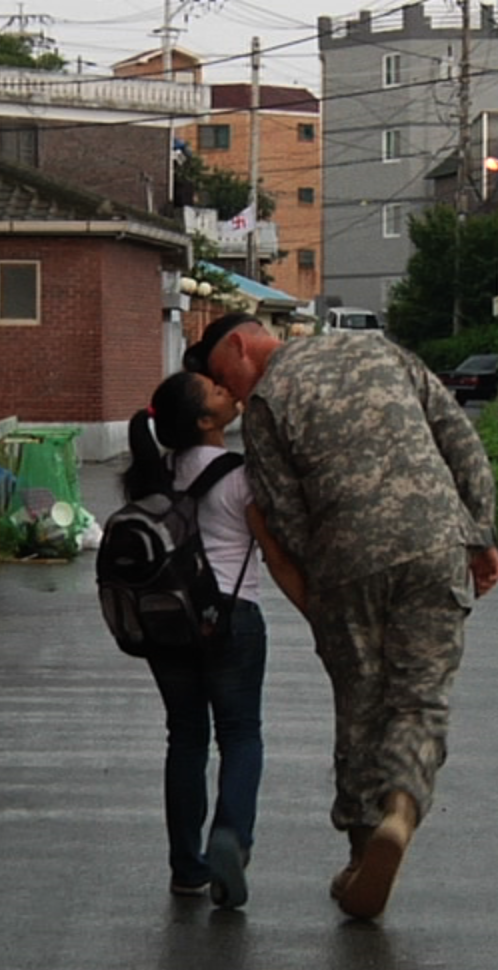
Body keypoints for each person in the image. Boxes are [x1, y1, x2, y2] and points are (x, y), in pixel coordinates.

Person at [183, 313, 498, 920]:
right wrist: (481, 532)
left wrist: (318, 594)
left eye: (221, 372)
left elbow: (283, 511)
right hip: (435, 540)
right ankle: (401, 811)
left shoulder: (269, 402)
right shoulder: (380, 350)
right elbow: (458, 438)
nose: (227, 390)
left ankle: (362, 854)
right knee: (420, 697)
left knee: (360, 703)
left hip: (347, 558)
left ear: (240, 344)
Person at [122, 370, 305, 909]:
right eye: (217, 391)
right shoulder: (241, 476)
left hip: (166, 622)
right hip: (230, 616)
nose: (228, 390)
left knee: (185, 737)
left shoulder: (155, 474)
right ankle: (230, 835)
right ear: (207, 421)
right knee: (241, 733)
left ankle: (186, 867)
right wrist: (316, 615)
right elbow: (274, 553)